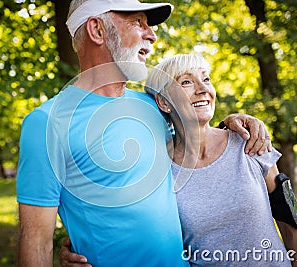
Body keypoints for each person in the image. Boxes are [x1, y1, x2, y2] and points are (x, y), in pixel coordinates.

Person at [17, 1, 272, 266]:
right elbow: (36, 242)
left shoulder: (153, 106)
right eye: (138, 22)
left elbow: (198, 133)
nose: (151, 34)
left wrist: (234, 122)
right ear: (97, 30)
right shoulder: (46, 124)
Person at [58, 53, 297, 266]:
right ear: (163, 102)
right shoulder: (156, 168)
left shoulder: (249, 142)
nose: (203, 89)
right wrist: (78, 247)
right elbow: (123, 223)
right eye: (186, 82)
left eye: (206, 79)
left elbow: (291, 223)